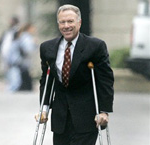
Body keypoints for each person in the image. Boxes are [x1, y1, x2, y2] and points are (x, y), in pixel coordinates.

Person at [35, 4, 114, 145]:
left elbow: (105, 80)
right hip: (60, 119)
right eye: (62, 22)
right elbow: (46, 79)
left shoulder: (95, 47)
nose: (66, 26)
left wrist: (104, 111)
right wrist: (44, 108)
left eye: (70, 21)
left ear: (79, 22)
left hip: (86, 117)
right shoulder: (47, 48)